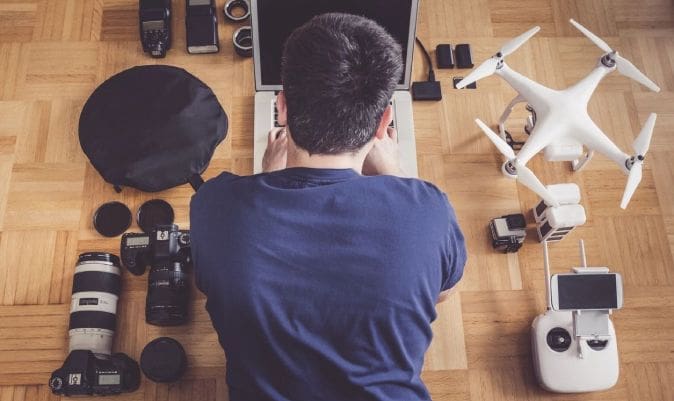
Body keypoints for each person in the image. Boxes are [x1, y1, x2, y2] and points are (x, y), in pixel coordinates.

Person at [190, 12, 466, 401]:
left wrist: (267, 177)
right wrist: (397, 178)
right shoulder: (429, 211)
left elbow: (211, 283)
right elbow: (441, 293)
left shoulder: (214, 206)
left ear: (282, 108)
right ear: (383, 121)